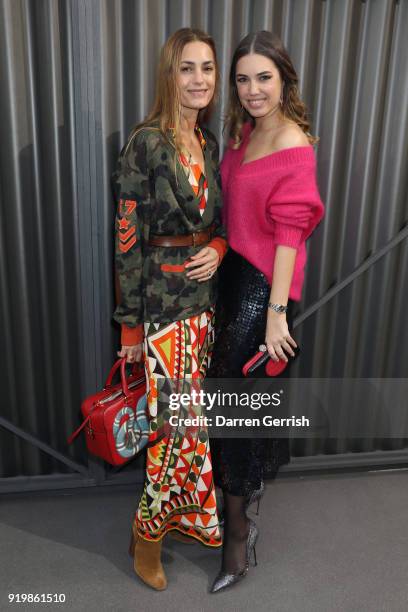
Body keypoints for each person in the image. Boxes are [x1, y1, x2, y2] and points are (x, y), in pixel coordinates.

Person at [208, 31, 325, 593]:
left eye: (264, 77)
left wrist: (276, 313)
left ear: (284, 79)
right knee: (227, 409)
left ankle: (236, 538)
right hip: (230, 285)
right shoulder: (243, 134)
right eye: (243, 78)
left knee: (237, 414)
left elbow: (288, 236)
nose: (252, 89)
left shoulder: (293, 142)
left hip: (262, 294)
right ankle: (232, 517)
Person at [112, 28, 228, 591]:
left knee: (189, 427)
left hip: (204, 310)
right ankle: (147, 535)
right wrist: (130, 326)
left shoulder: (208, 145)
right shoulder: (144, 143)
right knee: (170, 431)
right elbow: (127, 241)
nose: (200, 79)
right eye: (188, 68)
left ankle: (172, 523)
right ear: (169, 74)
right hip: (160, 313)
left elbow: (219, 225)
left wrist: (220, 247)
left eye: (207, 68)